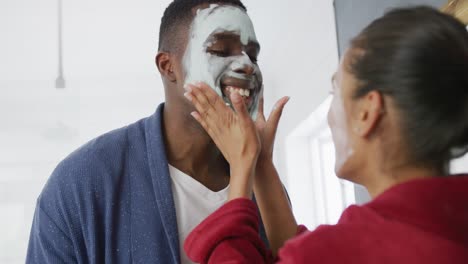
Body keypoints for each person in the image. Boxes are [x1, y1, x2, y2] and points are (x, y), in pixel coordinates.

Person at [182, 6, 468, 263]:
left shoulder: (347, 249)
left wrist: (242, 163)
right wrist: (262, 166)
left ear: (367, 112)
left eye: (336, 92)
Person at [26, 0, 271, 263]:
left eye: (253, 55)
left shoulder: (263, 186)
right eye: (221, 50)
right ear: (168, 67)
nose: (247, 65)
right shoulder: (79, 183)